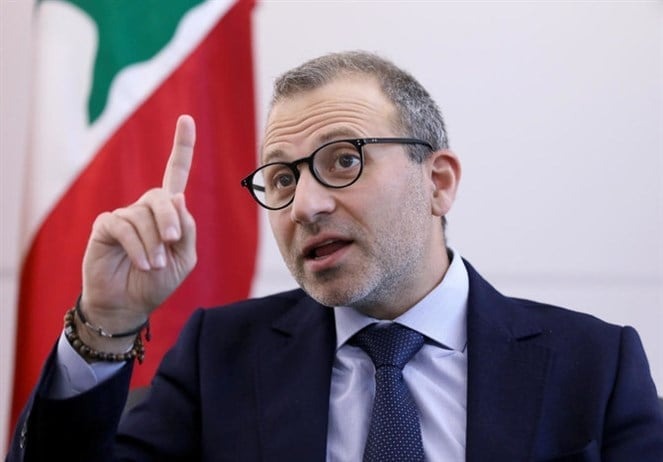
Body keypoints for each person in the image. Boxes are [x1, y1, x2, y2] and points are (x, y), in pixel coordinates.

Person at [7, 51, 663, 461]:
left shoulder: (594, 364)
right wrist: (107, 324)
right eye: (281, 178)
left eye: (343, 161)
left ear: (437, 182)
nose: (304, 206)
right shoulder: (220, 357)